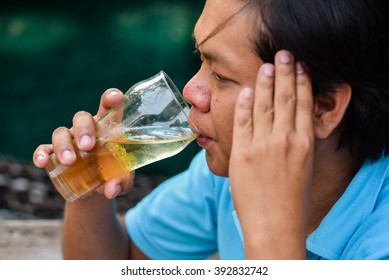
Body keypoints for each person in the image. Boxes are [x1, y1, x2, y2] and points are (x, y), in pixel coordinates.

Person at [33, 0, 389, 259]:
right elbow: (123, 260)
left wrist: (273, 233)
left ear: (322, 108)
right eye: (200, 58)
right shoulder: (223, 176)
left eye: (221, 74)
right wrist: (91, 186)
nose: (190, 90)